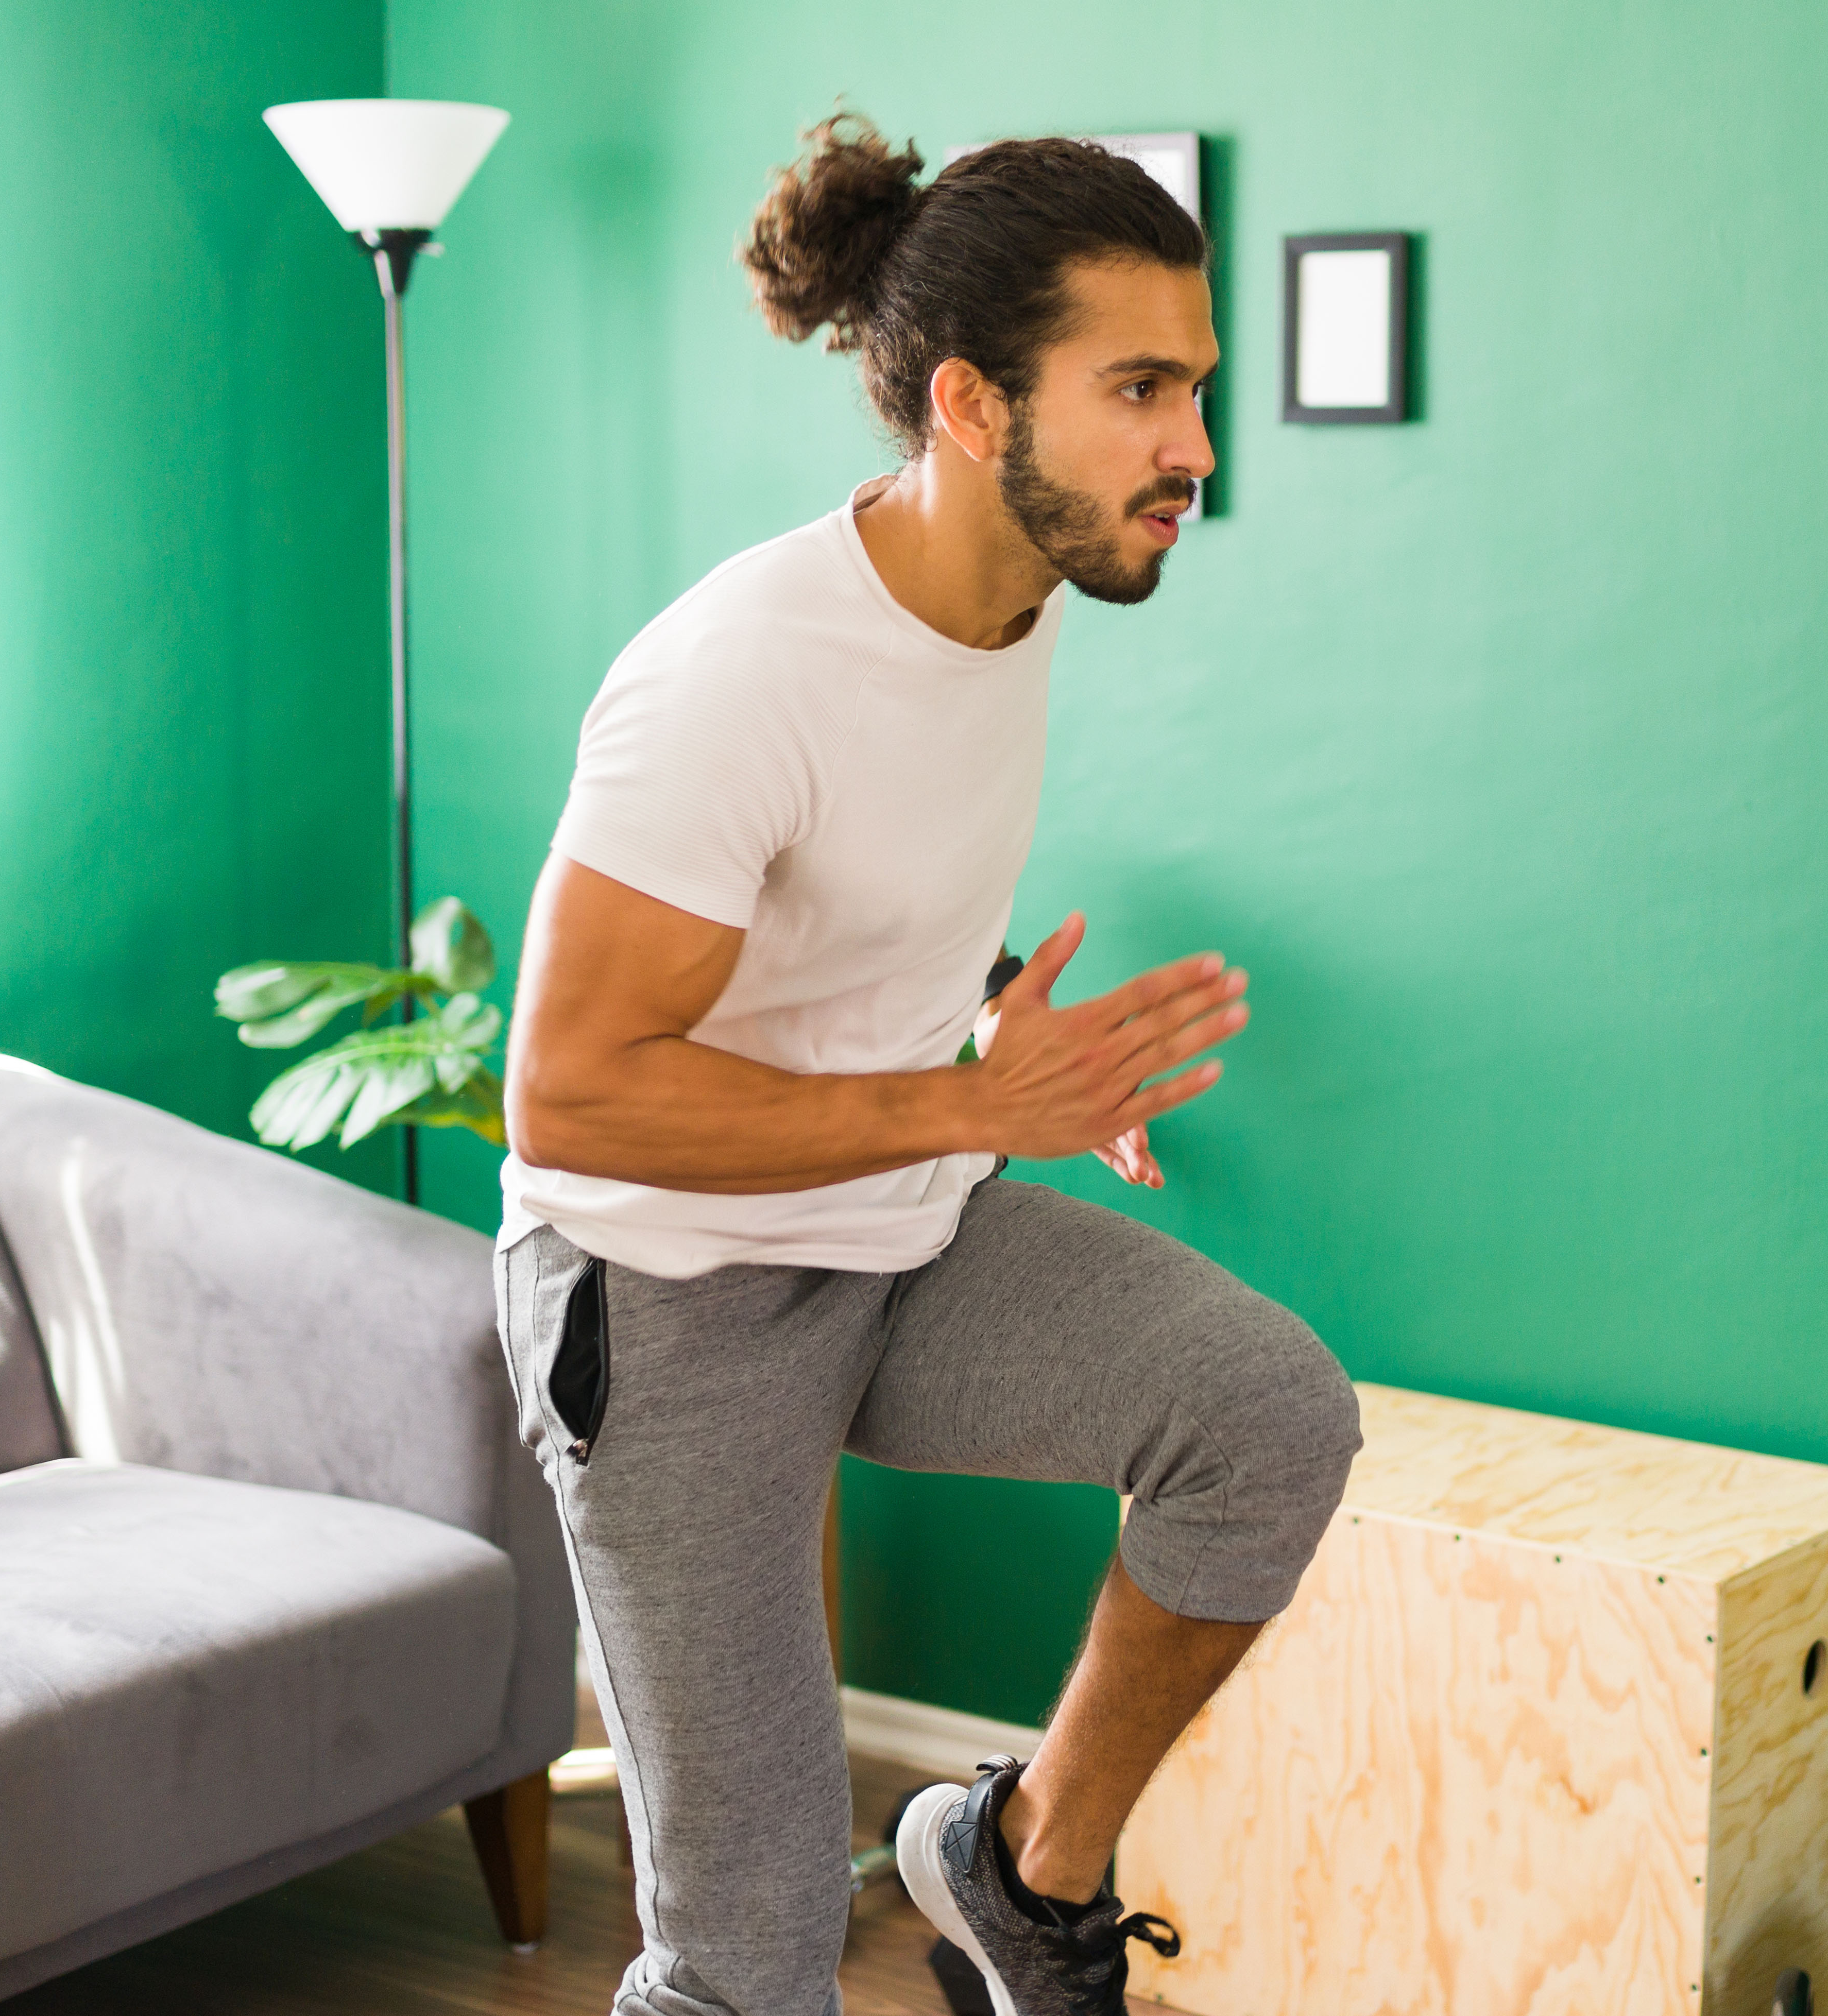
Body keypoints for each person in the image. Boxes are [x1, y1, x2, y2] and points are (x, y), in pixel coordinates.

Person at [494, 113, 1361, 2016]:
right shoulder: (733, 672)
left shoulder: (1015, 593)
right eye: (1141, 389)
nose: (1195, 449)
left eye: (1197, 388)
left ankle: (1016, 1861)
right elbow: (567, 1094)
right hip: (668, 1305)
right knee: (748, 1952)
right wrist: (981, 1104)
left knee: (1269, 1418)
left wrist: (989, 1020)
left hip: (899, 1233)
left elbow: (848, 893)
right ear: (973, 404)